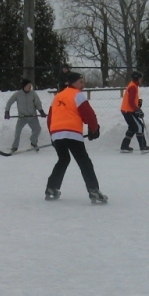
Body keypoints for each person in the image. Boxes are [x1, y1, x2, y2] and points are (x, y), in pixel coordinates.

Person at [44, 72, 107, 203]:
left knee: (63, 159)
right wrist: (94, 129)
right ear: (73, 83)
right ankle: (93, 190)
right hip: (72, 133)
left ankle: (51, 187)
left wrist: (53, 135)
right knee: (84, 161)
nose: (83, 85)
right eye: (80, 82)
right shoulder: (77, 95)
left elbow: (50, 118)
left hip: (56, 133)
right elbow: (89, 114)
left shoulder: (57, 97)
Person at [5, 78, 46, 152]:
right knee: (17, 132)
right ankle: (14, 147)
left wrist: (41, 111)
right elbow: (9, 103)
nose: (30, 87)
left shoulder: (33, 94)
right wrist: (7, 112)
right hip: (22, 117)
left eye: (30, 86)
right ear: (24, 86)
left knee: (37, 129)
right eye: (28, 85)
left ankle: (33, 142)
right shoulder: (18, 94)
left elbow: (38, 103)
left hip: (32, 116)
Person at [119, 70, 149, 153]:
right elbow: (130, 102)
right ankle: (142, 146)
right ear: (137, 79)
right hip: (128, 111)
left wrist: (138, 104)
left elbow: (133, 100)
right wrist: (137, 110)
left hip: (127, 110)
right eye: (140, 79)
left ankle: (124, 146)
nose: (141, 80)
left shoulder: (134, 85)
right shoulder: (133, 87)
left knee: (133, 127)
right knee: (139, 126)